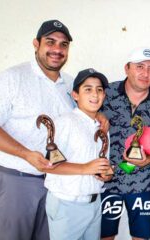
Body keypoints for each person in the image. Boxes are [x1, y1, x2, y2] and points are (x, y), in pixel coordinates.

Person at [0, 19, 74, 240]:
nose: (57, 49)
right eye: (50, 42)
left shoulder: (71, 84)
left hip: (55, 185)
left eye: (63, 44)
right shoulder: (13, 78)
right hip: (16, 180)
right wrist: (26, 154)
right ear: (36, 44)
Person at [101, 47, 150, 240]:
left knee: (142, 237)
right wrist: (98, 114)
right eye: (140, 67)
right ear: (127, 68)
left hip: (141, 184)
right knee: (104, 235)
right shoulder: (106, 93)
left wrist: (148, 161)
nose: (146, 73)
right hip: (106, 181)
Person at [44, 68, 112, 240]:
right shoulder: (65, 122)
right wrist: (85, 168)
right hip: (67, 205)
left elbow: (101, 166)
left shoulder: (102, 127)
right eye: (87, 89)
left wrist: (106, 174)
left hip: (95, 203)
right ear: (75, 95)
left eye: (99, 90)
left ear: (104, 95)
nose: (95, 94)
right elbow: (49, 165)